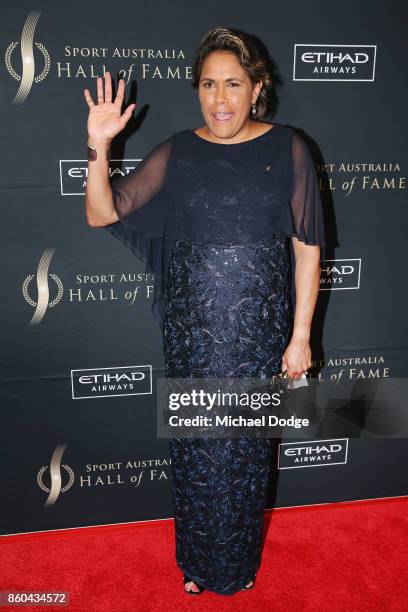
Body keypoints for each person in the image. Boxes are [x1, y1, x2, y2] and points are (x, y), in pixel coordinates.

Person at [83, 27, 326, 596]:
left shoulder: (289, 147)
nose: (220, 100)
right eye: (209, 85)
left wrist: (301, 336)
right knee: (197, 457)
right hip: (192, 330)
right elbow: (100, 213)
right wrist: (98, 145)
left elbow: (308, 247)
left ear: (257, 88)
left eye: (233, 85)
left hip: (258, 332)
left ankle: (237, 568)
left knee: (244, 460)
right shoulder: (177, 151)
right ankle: (196, 564)